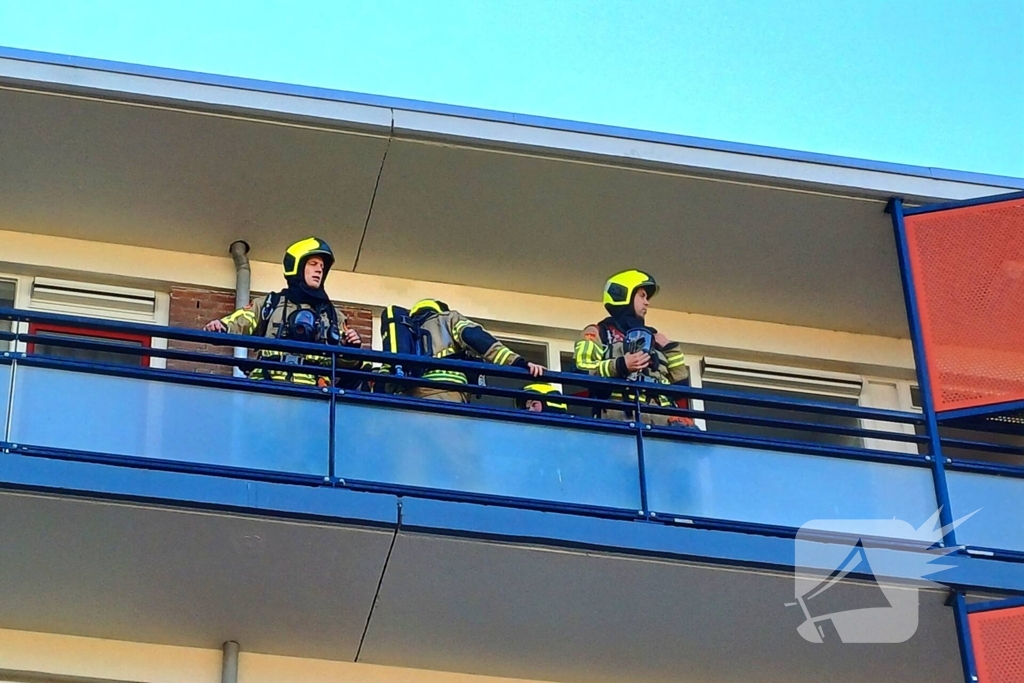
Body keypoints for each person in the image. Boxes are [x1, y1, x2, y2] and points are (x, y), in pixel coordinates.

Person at [204, 237, 364, 386]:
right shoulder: (270, 304)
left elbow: (347, 364)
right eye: (313, 264)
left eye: (322, 267)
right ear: (298, 266)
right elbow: (244, 319)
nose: (319, 270)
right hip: (267, 391)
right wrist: (222, 327)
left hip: (313, 399)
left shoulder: (333, 316)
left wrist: (351, 348)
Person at [573, 269, 695, 427]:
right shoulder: (599, 332)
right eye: (642, 296)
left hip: (662, 425)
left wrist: (671, 349)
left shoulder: (655, 338)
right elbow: (581, 369)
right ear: (625, 295)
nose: (647, 302)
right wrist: (620, 365)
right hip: (620, 423)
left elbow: (681, 388)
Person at [383, 298, 545, 403]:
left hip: (409, 400)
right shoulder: (447, 318)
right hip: (446, 395)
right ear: (439, 309)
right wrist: (517, 362)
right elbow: (475, 338)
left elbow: (384, 375)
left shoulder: (404, 335)